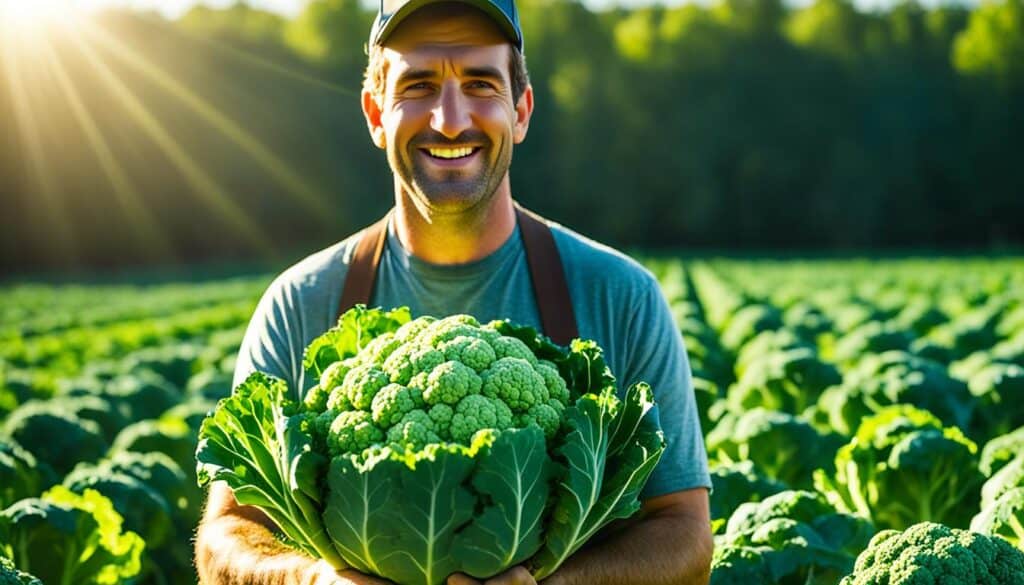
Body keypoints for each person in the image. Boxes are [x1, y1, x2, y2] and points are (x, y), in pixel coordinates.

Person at [193, 0, 713, 583]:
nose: (448, 119)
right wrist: (315, 580)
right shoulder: (299, 305)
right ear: (375, 113)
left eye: (480, 83)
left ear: (520, 110)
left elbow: (685, 533)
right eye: (418, 84)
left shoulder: (621, 298)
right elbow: (227, 535)